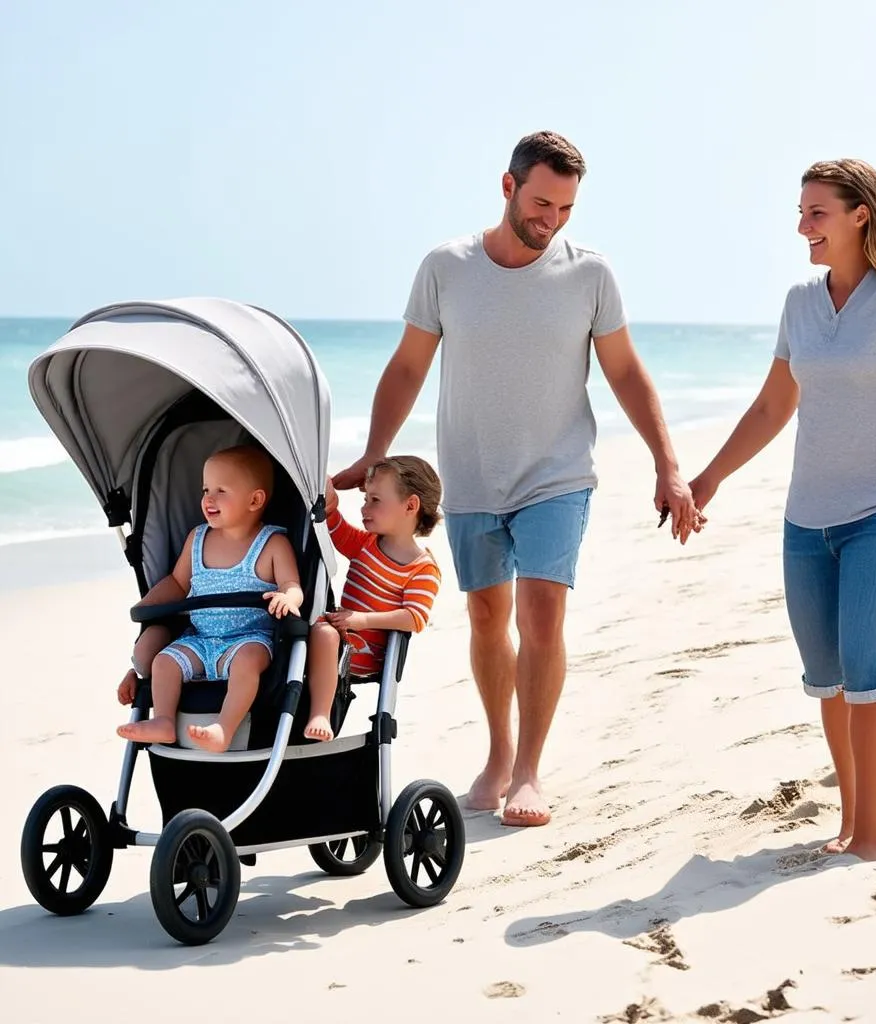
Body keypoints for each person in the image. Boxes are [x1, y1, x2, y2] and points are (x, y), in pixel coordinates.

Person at [333, 130, 701, 827]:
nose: (552, 221)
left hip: (556, 474)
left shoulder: (590, 274)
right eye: (541, 204)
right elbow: (408, 366)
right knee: (484, 615)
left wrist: (668, 464)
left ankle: (530, 770)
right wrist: (373, 456)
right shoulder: (447, 267)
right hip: (470, 475)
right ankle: (499, 753)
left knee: (540, 612)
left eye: (565, 208)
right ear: (508, 187)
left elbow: (624, 370)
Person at [688, 158, 876, 861]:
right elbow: (773, 406)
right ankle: (849, 825)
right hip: (807, 521)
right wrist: (709, 479)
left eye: (816, 213)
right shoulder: (801, 301)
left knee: (866, 667)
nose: (803, 227)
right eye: (801, 213)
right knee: (827, 678)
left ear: (861, 213)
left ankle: (871, 841)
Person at [116, 445, 304, 753]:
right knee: (164, 661)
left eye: (221, 491)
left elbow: (292, 583)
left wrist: (288, 597)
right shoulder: (197, 538)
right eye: (206, 489)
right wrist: (146, 606)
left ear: (255, 500)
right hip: (201, 638)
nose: (208, 499)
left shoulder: (272, 543)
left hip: (248, 639)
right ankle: (163, 721)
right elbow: (177, 583)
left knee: (247, 664)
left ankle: (224, 729)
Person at [304, 456, 443, 742]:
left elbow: (414, 618)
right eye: (365, 498)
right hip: (339, 636)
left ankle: (320, 713)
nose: (364, 507)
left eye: (375, 500)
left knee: (322, 632)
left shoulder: (422, 569)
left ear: (410, 506)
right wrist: (328, 494)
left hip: (360, 653)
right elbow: (336, 529)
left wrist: (363, 619)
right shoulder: (367, 544)